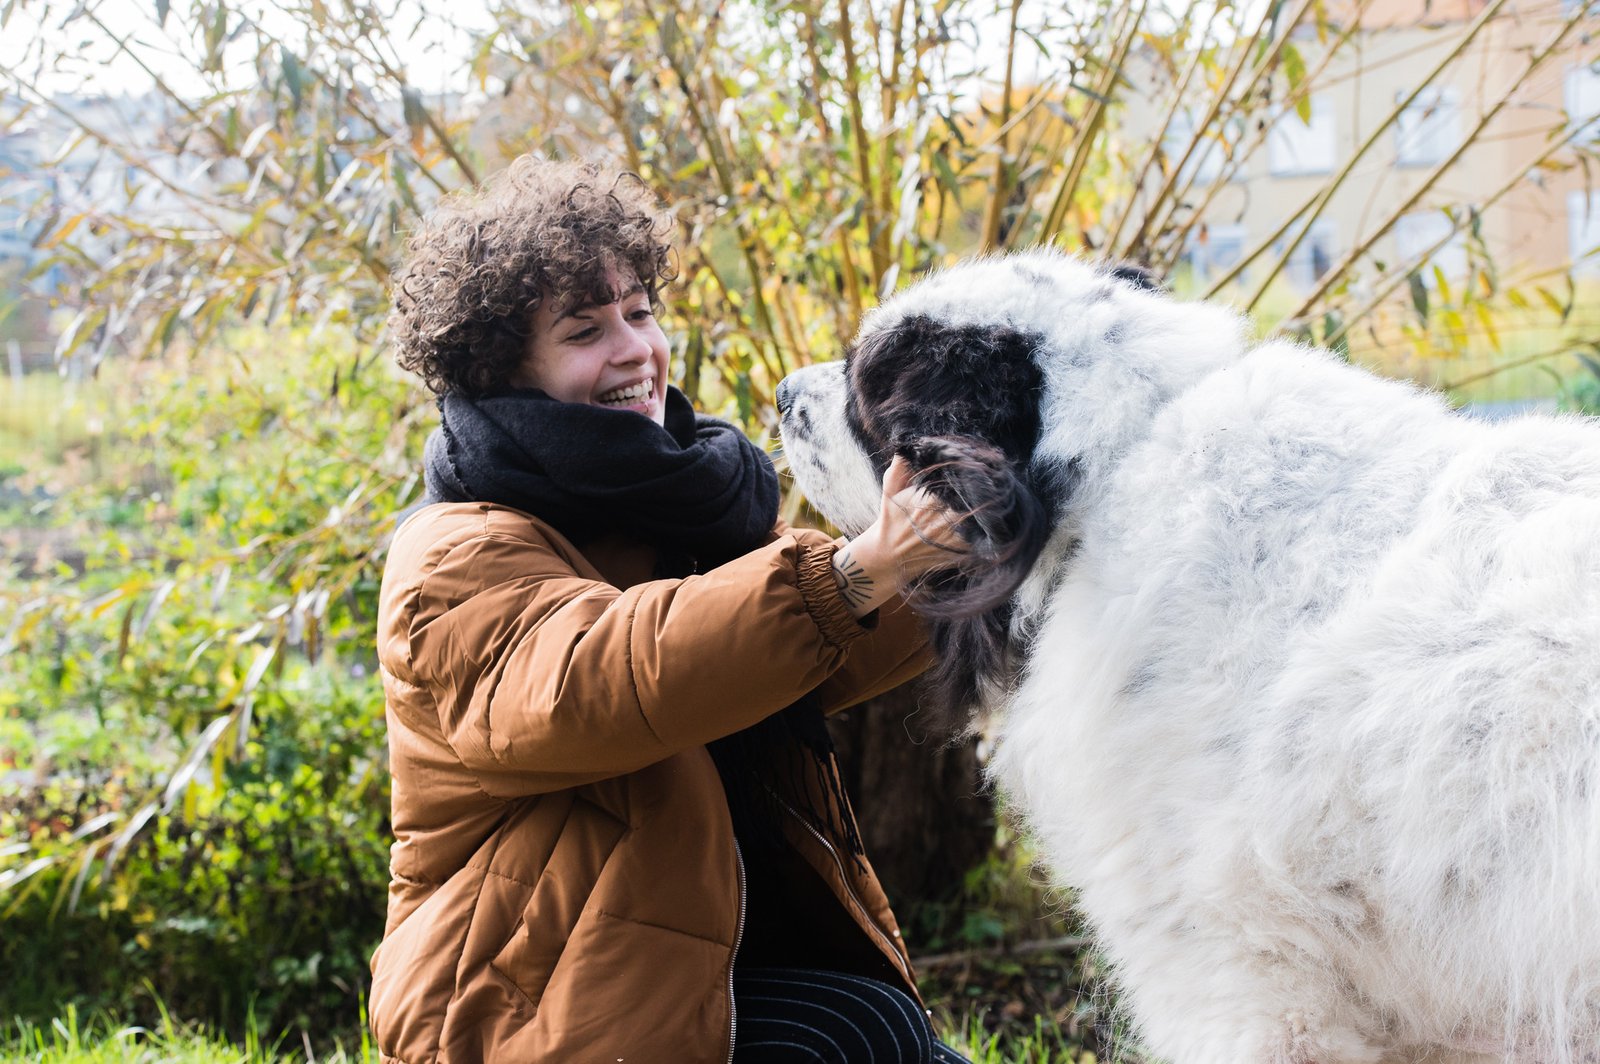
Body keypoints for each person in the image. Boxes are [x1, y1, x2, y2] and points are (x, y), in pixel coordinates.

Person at [370, 155, 971, 1063]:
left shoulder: (674, 509)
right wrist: (854, 569)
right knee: (862, 1034)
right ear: (501, 371)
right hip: (516, 1008)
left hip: (679, 980)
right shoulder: (453, 557)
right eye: (584, 330)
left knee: (898, 1038)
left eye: (640, 314)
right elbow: (607, 677)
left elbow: (817, 645)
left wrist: (971, 559)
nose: (636, 351)